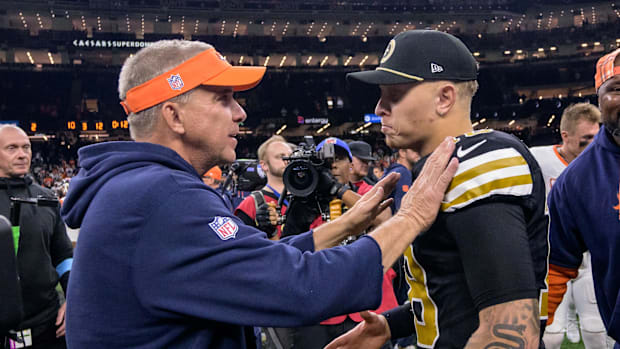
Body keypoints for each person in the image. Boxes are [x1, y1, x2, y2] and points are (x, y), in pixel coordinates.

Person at [59, 39, 459, 349]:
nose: (240, 113)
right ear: (174, 116)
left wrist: (346, 226)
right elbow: (300, 288)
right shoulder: (162, 196)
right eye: (222, 98)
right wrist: (410, 218)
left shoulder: (138, 188)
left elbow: (253, 262)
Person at [326, 29, 548, 349]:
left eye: (394, 94)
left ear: (444, 98)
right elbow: (456, 291)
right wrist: (392, 324)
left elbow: (510, 330)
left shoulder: (479, 163)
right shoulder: (444, 164)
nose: (379, 108)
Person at [546, 48, 620, 348]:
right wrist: (529, 328)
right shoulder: (576, 181)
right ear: (599, 99)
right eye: (616, 89)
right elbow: (557, 267)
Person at [530, 103, 609, 348]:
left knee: (597, 331)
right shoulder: (536, 159)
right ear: (565, 136)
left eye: (597, 137)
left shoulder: (604, 164)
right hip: (553, 258)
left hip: (591, 259)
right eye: (586, 139)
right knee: (550, 336)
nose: (593, 144)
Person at [0, 125, 73, 349]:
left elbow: (62, 255)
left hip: (46, 325)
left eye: (26, 147)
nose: (22, 154)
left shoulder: (46, 197)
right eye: (11, 148)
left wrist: (72, 299)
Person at [235, 136, 292, 238]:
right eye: (280, 156)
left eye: (291, 155)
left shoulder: (308, 197)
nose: (288, 160)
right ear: (264, 165)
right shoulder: (250, 204)